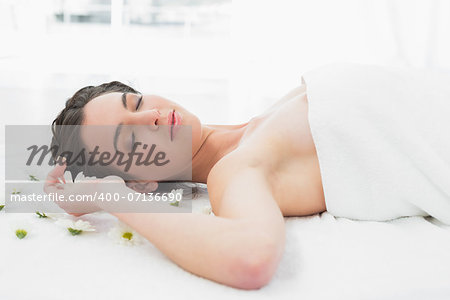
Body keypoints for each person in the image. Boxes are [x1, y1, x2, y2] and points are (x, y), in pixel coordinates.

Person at [45, 63, 450, 290]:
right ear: (141, 182)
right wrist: (112, 195)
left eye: (135, 102)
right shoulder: (237, 169)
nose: (149, 115)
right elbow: (248, 257)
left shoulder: (258, 123)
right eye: (130, 139)